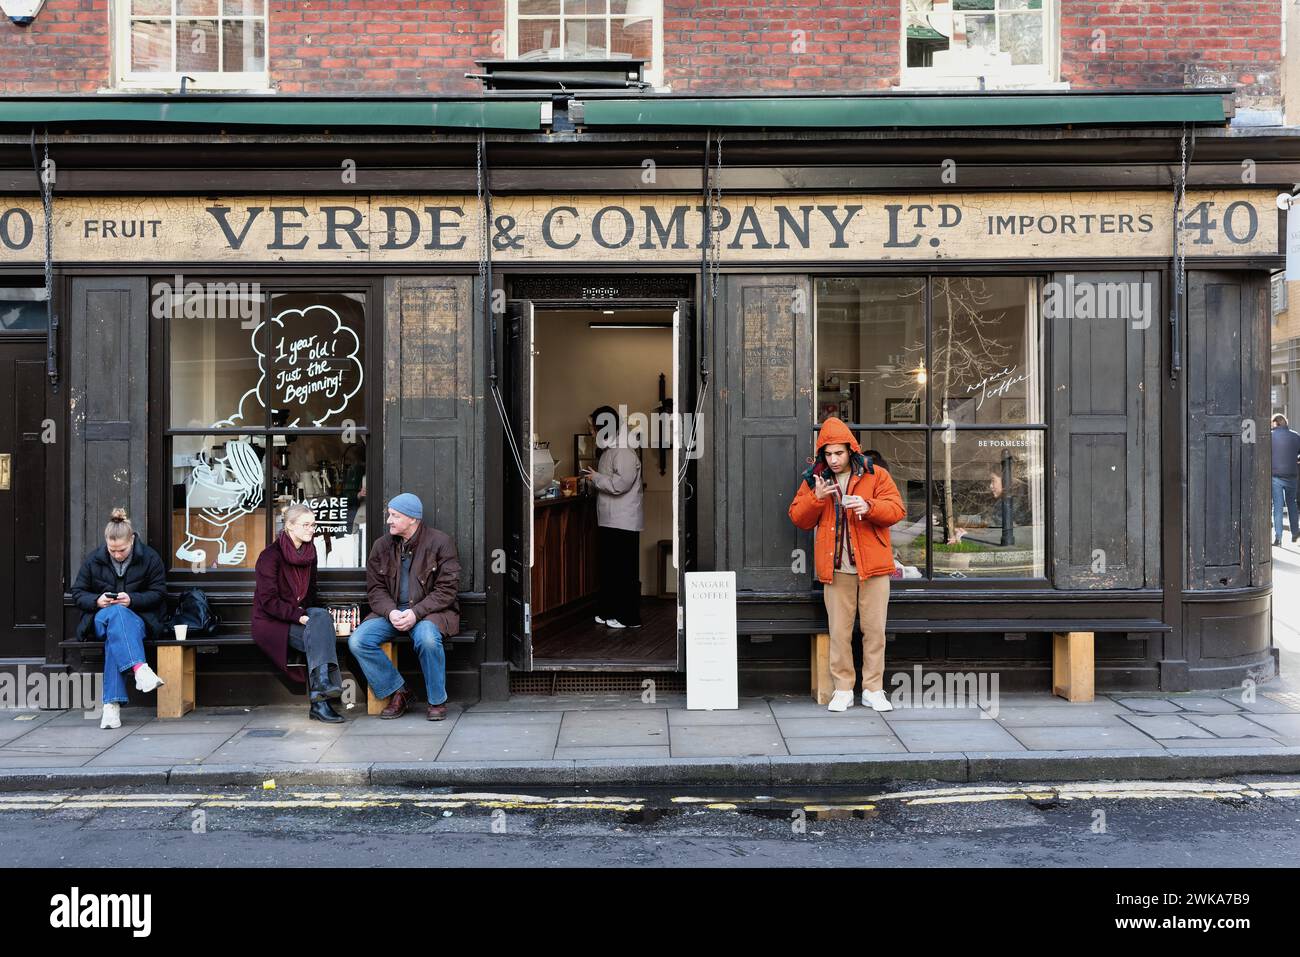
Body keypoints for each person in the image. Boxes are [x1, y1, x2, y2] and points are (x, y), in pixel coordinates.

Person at [789, 418, 905, 713]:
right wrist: (816, 499)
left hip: (874, 568)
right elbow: (798, 518)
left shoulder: (875, 474)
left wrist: (869, 507)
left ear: (851, 450)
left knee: (874, 631)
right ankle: (843, 689)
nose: (833, 460)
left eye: (839, 453)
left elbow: (897, 510)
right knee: (839, 632)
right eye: (828, 454)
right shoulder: (815, 478)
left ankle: (873, 689)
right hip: (836, 569)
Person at [348, 493, 461, 720]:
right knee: (358, 641)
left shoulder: (441, 542)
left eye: (395, 516)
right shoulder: (381, 546)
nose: (389, 520)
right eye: (389, 514)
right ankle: (399, 691)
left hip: (429, 613)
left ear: (413, 519)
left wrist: (415, 612)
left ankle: (437, 701)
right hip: (391, 613)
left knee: (428, 639)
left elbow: (447, 590)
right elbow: (376, 590)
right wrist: (391, 612)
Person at [70, 508, 168, 729]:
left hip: (137, 619)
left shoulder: (150, 558)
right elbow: (77, 592)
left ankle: (111, 707)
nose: (116, 555)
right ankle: (140, 669)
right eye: (112, 550)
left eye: (121, 550)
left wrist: (131, 600)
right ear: (106, 542)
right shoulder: (94, 559)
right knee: (115, 615)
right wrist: (97, 601)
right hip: (100, 618)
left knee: (116, 634)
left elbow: (160, 593)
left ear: (132, 540)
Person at [252, 503, 344, 723]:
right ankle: (321, 701)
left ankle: (320, 696)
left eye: (313, 524)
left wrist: (308, 617)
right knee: (318, 628)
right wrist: (300, 617)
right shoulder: (270, 556)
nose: (311, 529)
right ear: (290, 526)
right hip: (272, 622)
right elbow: (268, 601)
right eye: (306, 525)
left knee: (321, 617)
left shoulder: (310, 554)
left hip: (299, 616)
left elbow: (311, 594)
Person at [581, 405, 644, 631]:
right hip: (611, 519)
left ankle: (629, 617)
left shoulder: (624, 450)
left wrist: (596, 478)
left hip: (623, 521)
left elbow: (621, 485)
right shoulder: (610, 449)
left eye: (592, 427)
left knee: (624, 571)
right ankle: (610, 611)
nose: (590, 432)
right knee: (611, 569)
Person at [1271, 413, 1300, 546]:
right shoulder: (1295, 436)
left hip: (1276, 476)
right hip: (1292, 475)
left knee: (1277, 506)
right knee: (1292, 504)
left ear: (1276, 423)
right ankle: (1295, 532)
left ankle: (1278, 538)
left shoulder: (1270, 436)